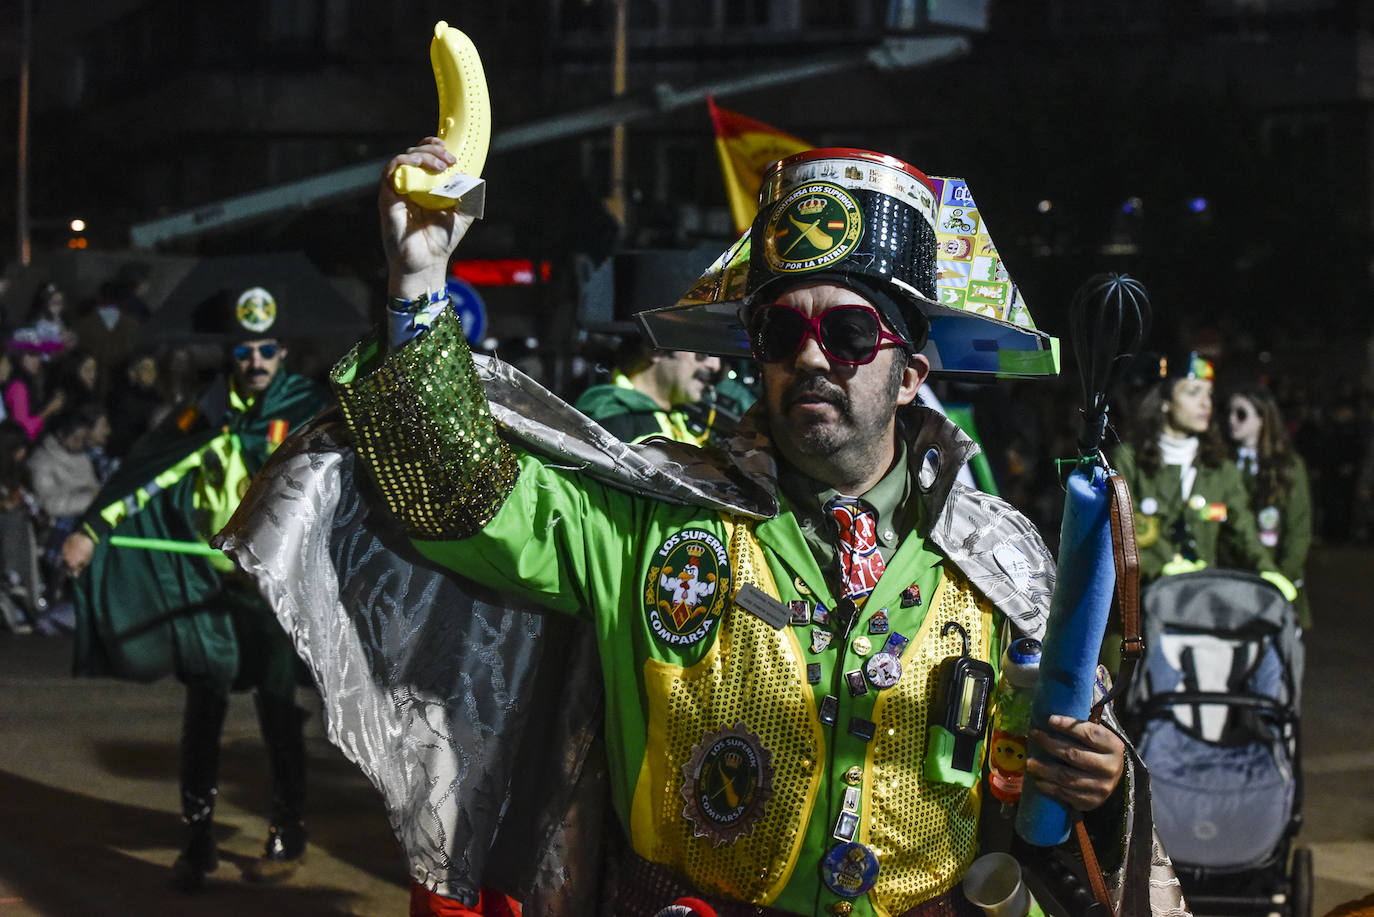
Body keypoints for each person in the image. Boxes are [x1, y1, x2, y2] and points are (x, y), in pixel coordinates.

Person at [296, 141, 1189, 917]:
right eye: (778, 331)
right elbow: (466, 498)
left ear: (911, 372)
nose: (808, 355)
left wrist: (1097, 787)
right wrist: (416, 285)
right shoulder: (653, 517)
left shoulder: (1002, 563)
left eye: (847, 332)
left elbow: (1057, 781)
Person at [61, 289, 330, 891]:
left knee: (279, 711)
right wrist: (89, 529)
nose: (255, 360)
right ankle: (198, 839)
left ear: (281, 350)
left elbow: (334, 496)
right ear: (231, 353)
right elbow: (150, 474)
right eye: (244, 349)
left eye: (266, 349)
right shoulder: (205, 412)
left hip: (274, 589)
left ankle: (288, 833)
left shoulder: (310, 409)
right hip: (208, 580)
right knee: (203, 709)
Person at [1112, 352, 1285, 587]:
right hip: (1145, 602)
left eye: (1209, 394)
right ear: (1165, 401)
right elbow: (1117, 538)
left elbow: (1244, 531)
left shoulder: (1220, 468)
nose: (1206, 404)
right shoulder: (1129, 461)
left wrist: (1267, 571)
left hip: (1199, 601)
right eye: (1194, 392)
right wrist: (1157, 567)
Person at [1227, 386, 1313, 627]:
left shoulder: (1288, 466)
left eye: (1241, 413)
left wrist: (1280, 580)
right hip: (1230, 581)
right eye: (1229, 412)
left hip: (1274, 578)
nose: (1232, 420)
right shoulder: (1222, 463)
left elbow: (1299, 530)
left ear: (1262, 418)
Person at [574, 335, 722, 444]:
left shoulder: (681, 419)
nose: (715, 365)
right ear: (657, 352)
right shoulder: (608, 418)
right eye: (702, 354)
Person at [4, 329, 66, 441]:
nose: (38, 360)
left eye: (39, 355)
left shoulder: (27, 381)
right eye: (32, 354)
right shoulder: (18, 386)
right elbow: (22, 432)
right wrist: (49, 410)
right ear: (19, 356)